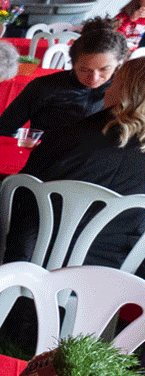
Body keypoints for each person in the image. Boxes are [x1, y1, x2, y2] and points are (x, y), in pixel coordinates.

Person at [8, 57, 145, 270]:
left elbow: (22, 193)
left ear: (125, 92)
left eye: (114, 82)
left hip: (37, 259)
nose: (107, 90)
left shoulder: (69, 137)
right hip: (119, 275)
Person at [0, 18, 129, 137]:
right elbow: (5, 128)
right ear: (73, 63)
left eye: (104, 69)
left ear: (118, 63)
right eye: (84, 69)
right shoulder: (45, 86)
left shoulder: (124, 89)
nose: (94, 78)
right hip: (48, 156)